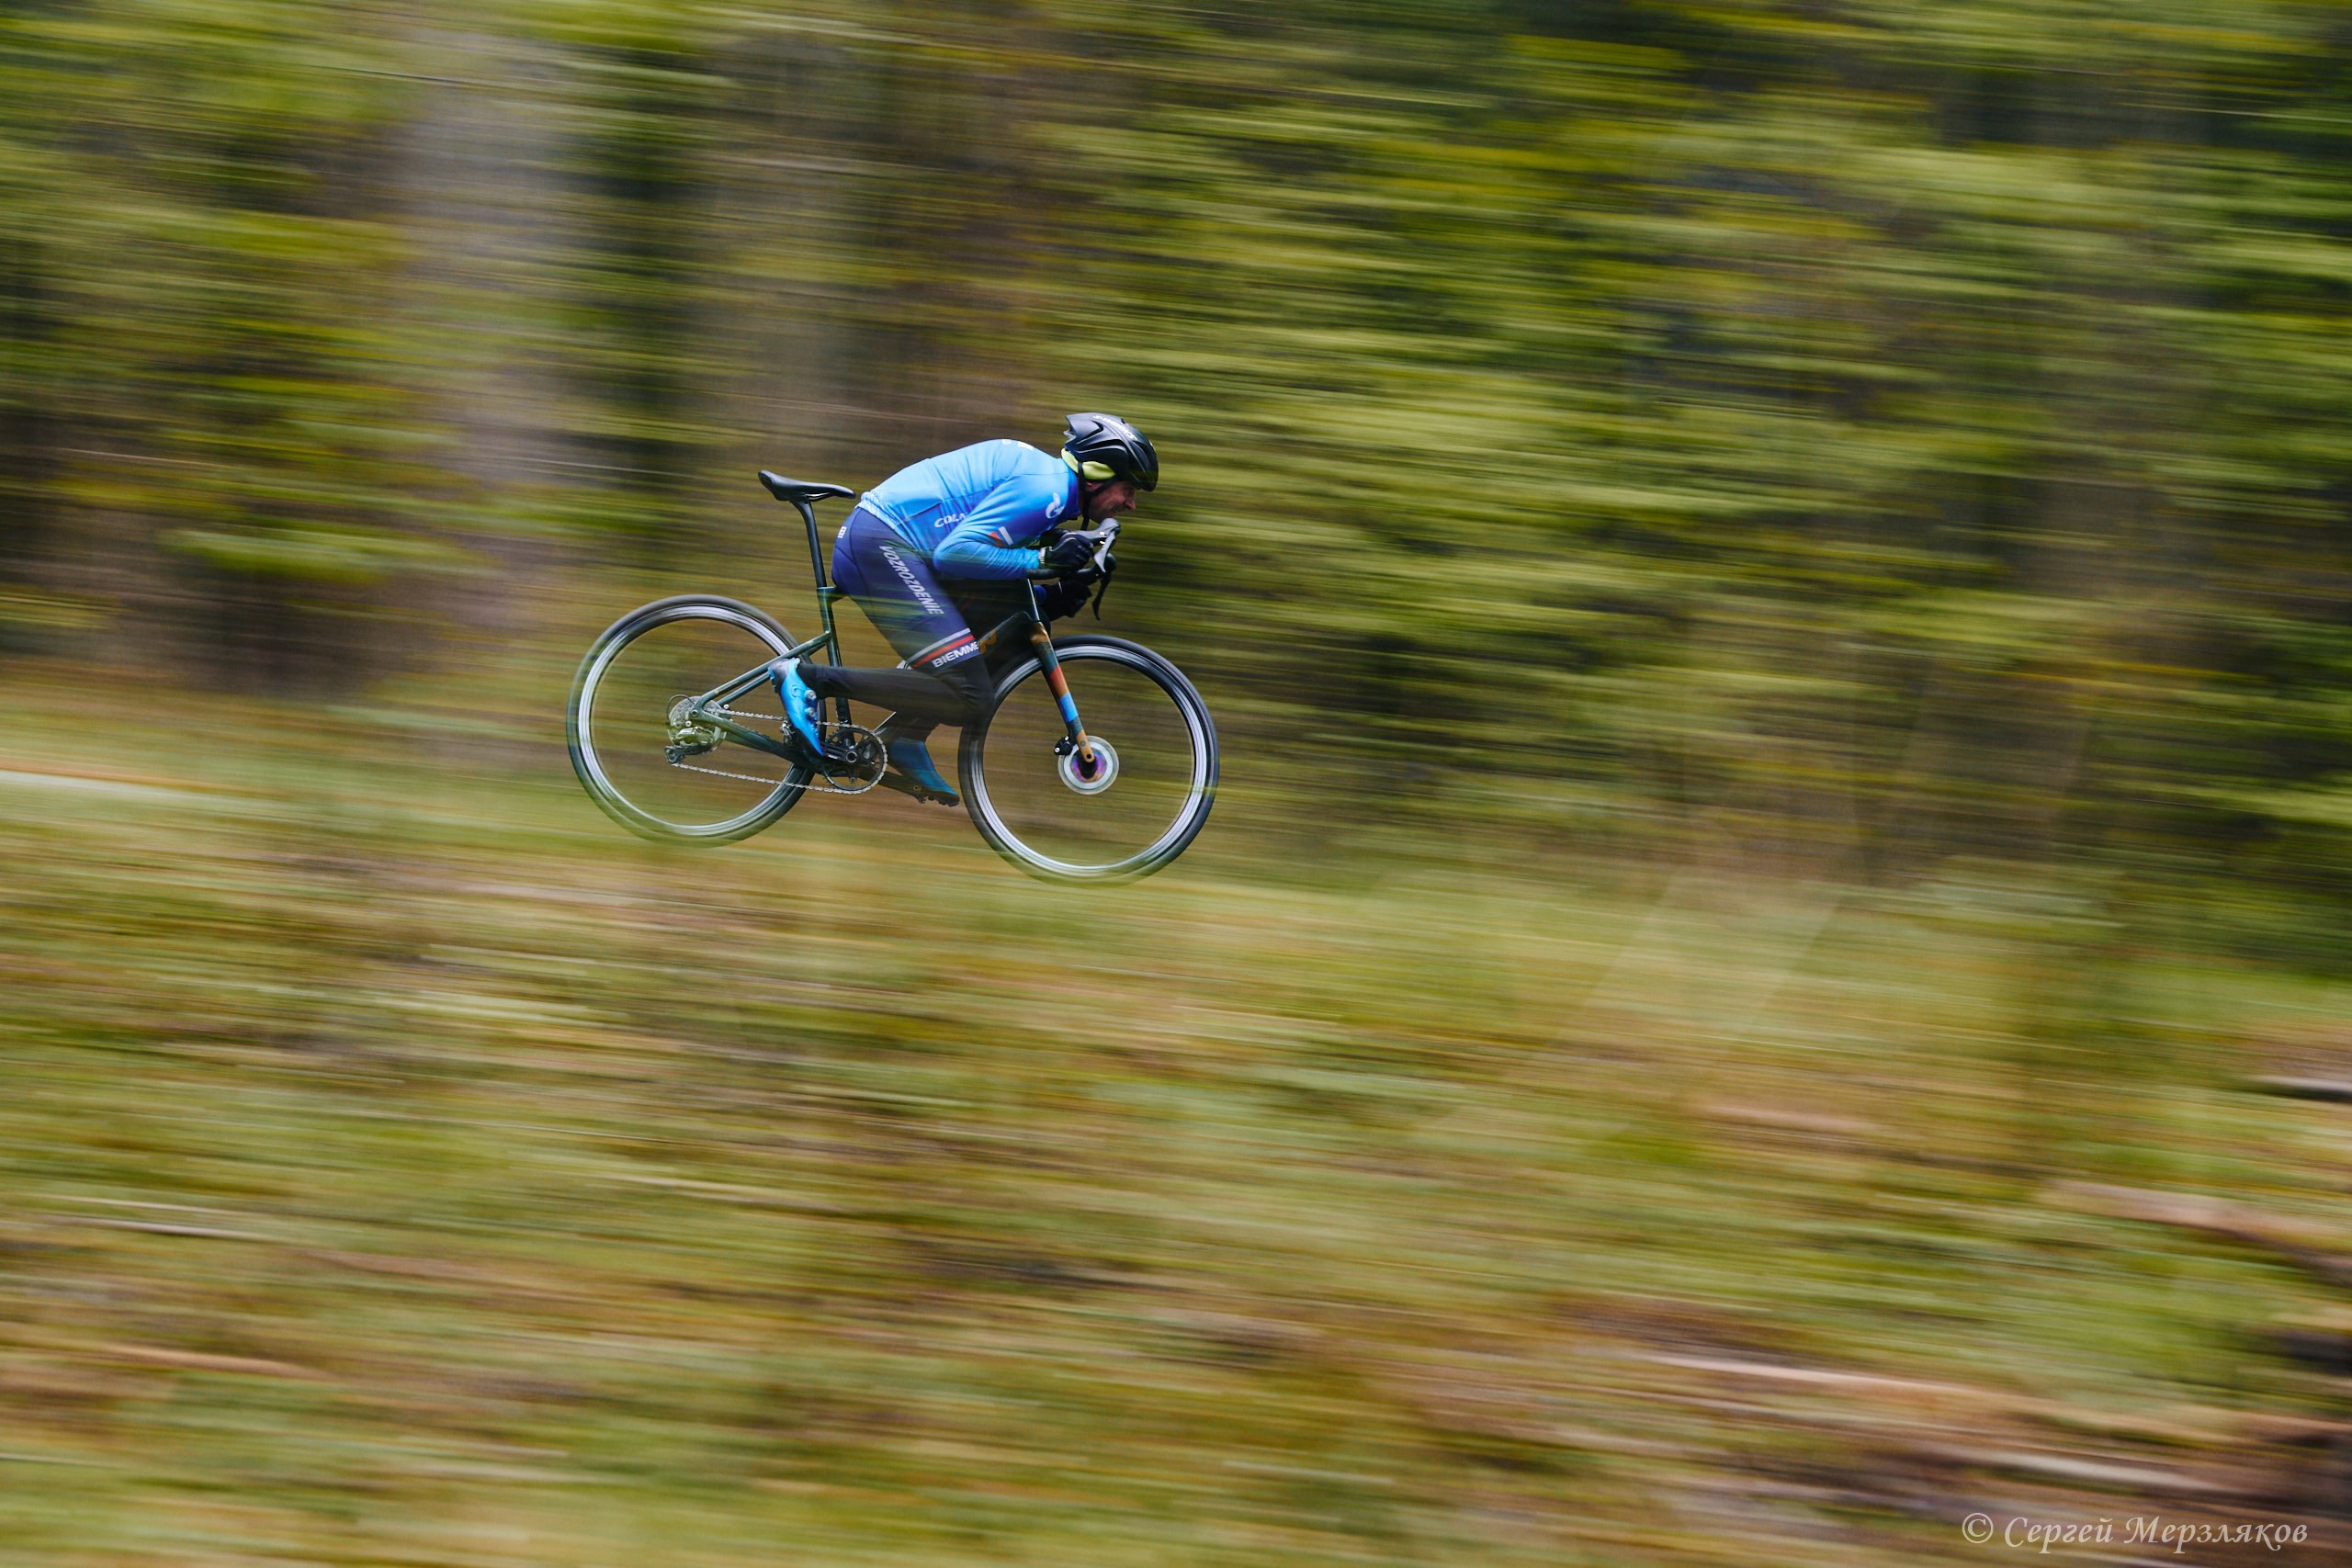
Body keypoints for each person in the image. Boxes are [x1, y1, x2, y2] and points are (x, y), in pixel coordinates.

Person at [769, 412, 1158, 804]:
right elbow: (954, 554)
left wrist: (1052, 596)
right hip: (881, 544)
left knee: (1016, 632)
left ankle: (906, 737)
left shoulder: (1052, 495)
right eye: (1128, 489)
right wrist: (1043, 561)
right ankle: (807, 678)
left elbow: (994, 578)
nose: (1131, 503)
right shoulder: (1046, 491)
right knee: (969, 698)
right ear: (1096, 475)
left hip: (899, 548)